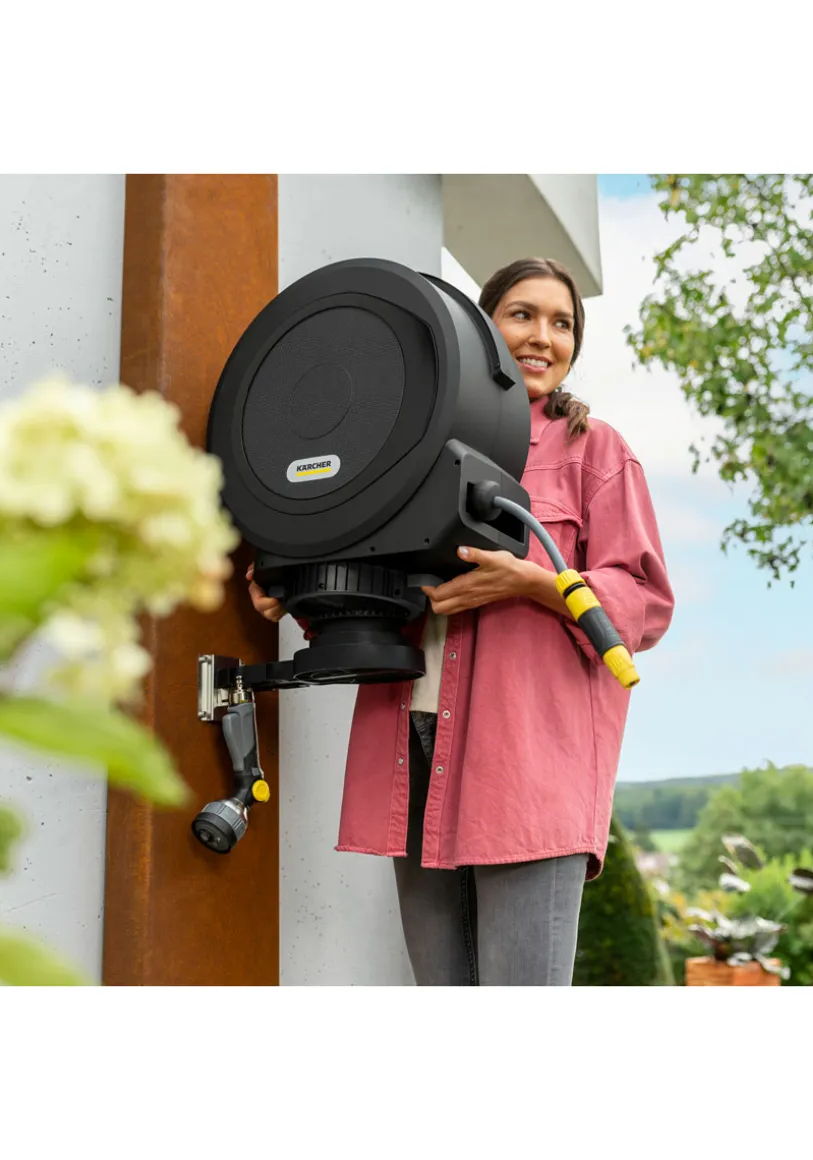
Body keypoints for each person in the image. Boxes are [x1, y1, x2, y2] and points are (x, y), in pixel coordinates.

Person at [248, 257, 674, 985]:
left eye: (562, 323)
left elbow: (645, 600)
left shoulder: (594, 451)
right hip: (410, 745)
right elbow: (366, 569)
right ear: (482, 329)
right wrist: (291, 586)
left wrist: (537, 584)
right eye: (522, 315)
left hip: (527, 766)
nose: (542, 337)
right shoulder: (406, 434)